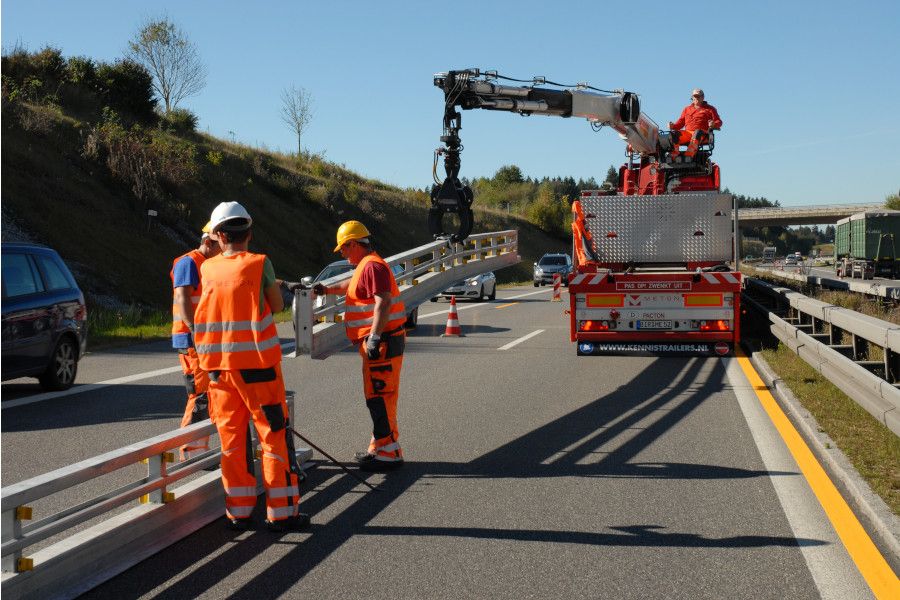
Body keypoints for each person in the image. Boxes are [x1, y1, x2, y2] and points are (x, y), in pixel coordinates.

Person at [193, 201, 307, 532]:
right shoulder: (260, 264)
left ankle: (238, 512)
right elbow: (276, 304)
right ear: (249, 234)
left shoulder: (207, 269)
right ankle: (282, 513)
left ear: (216, 235)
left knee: (232, 442)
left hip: (219, 371)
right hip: (258, 368)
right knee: (271, 438)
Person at [313, 220, 407, 472]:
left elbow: (383, 302)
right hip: (382, 341)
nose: (342, 253)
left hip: (382, 342)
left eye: (343, 248)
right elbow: (350, 287)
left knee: (380, 398)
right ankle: (381, 447)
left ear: (354, 244)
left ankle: (389, 452)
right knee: (380, 397)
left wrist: (374, 336)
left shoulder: (373, 266)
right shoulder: (366, 265)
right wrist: (326, 289)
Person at [171, 223, 221, 461]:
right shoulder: (188, 262)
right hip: (191, 338)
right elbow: (182, 297)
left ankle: (197, 451)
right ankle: (190, 453)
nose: (223, 252)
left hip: (201, 338)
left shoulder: (209, 264)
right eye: (219, 247)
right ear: (208, 242)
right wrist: (194, 330)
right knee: (200, 393)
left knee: (208, 392)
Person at [667, 88, 722, 158]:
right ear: (692, 98)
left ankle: (688, 156)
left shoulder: (710, 109)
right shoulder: (686, 109)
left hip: (703, 134)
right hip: (688, 133)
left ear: (703, 97)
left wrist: (713, 124)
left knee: (697, 132)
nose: (696, 98)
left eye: (698, 96)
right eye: (695, 96)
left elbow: (719, 122)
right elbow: (680, 123)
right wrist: (673, 126)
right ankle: (675, 154)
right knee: (674, 133)